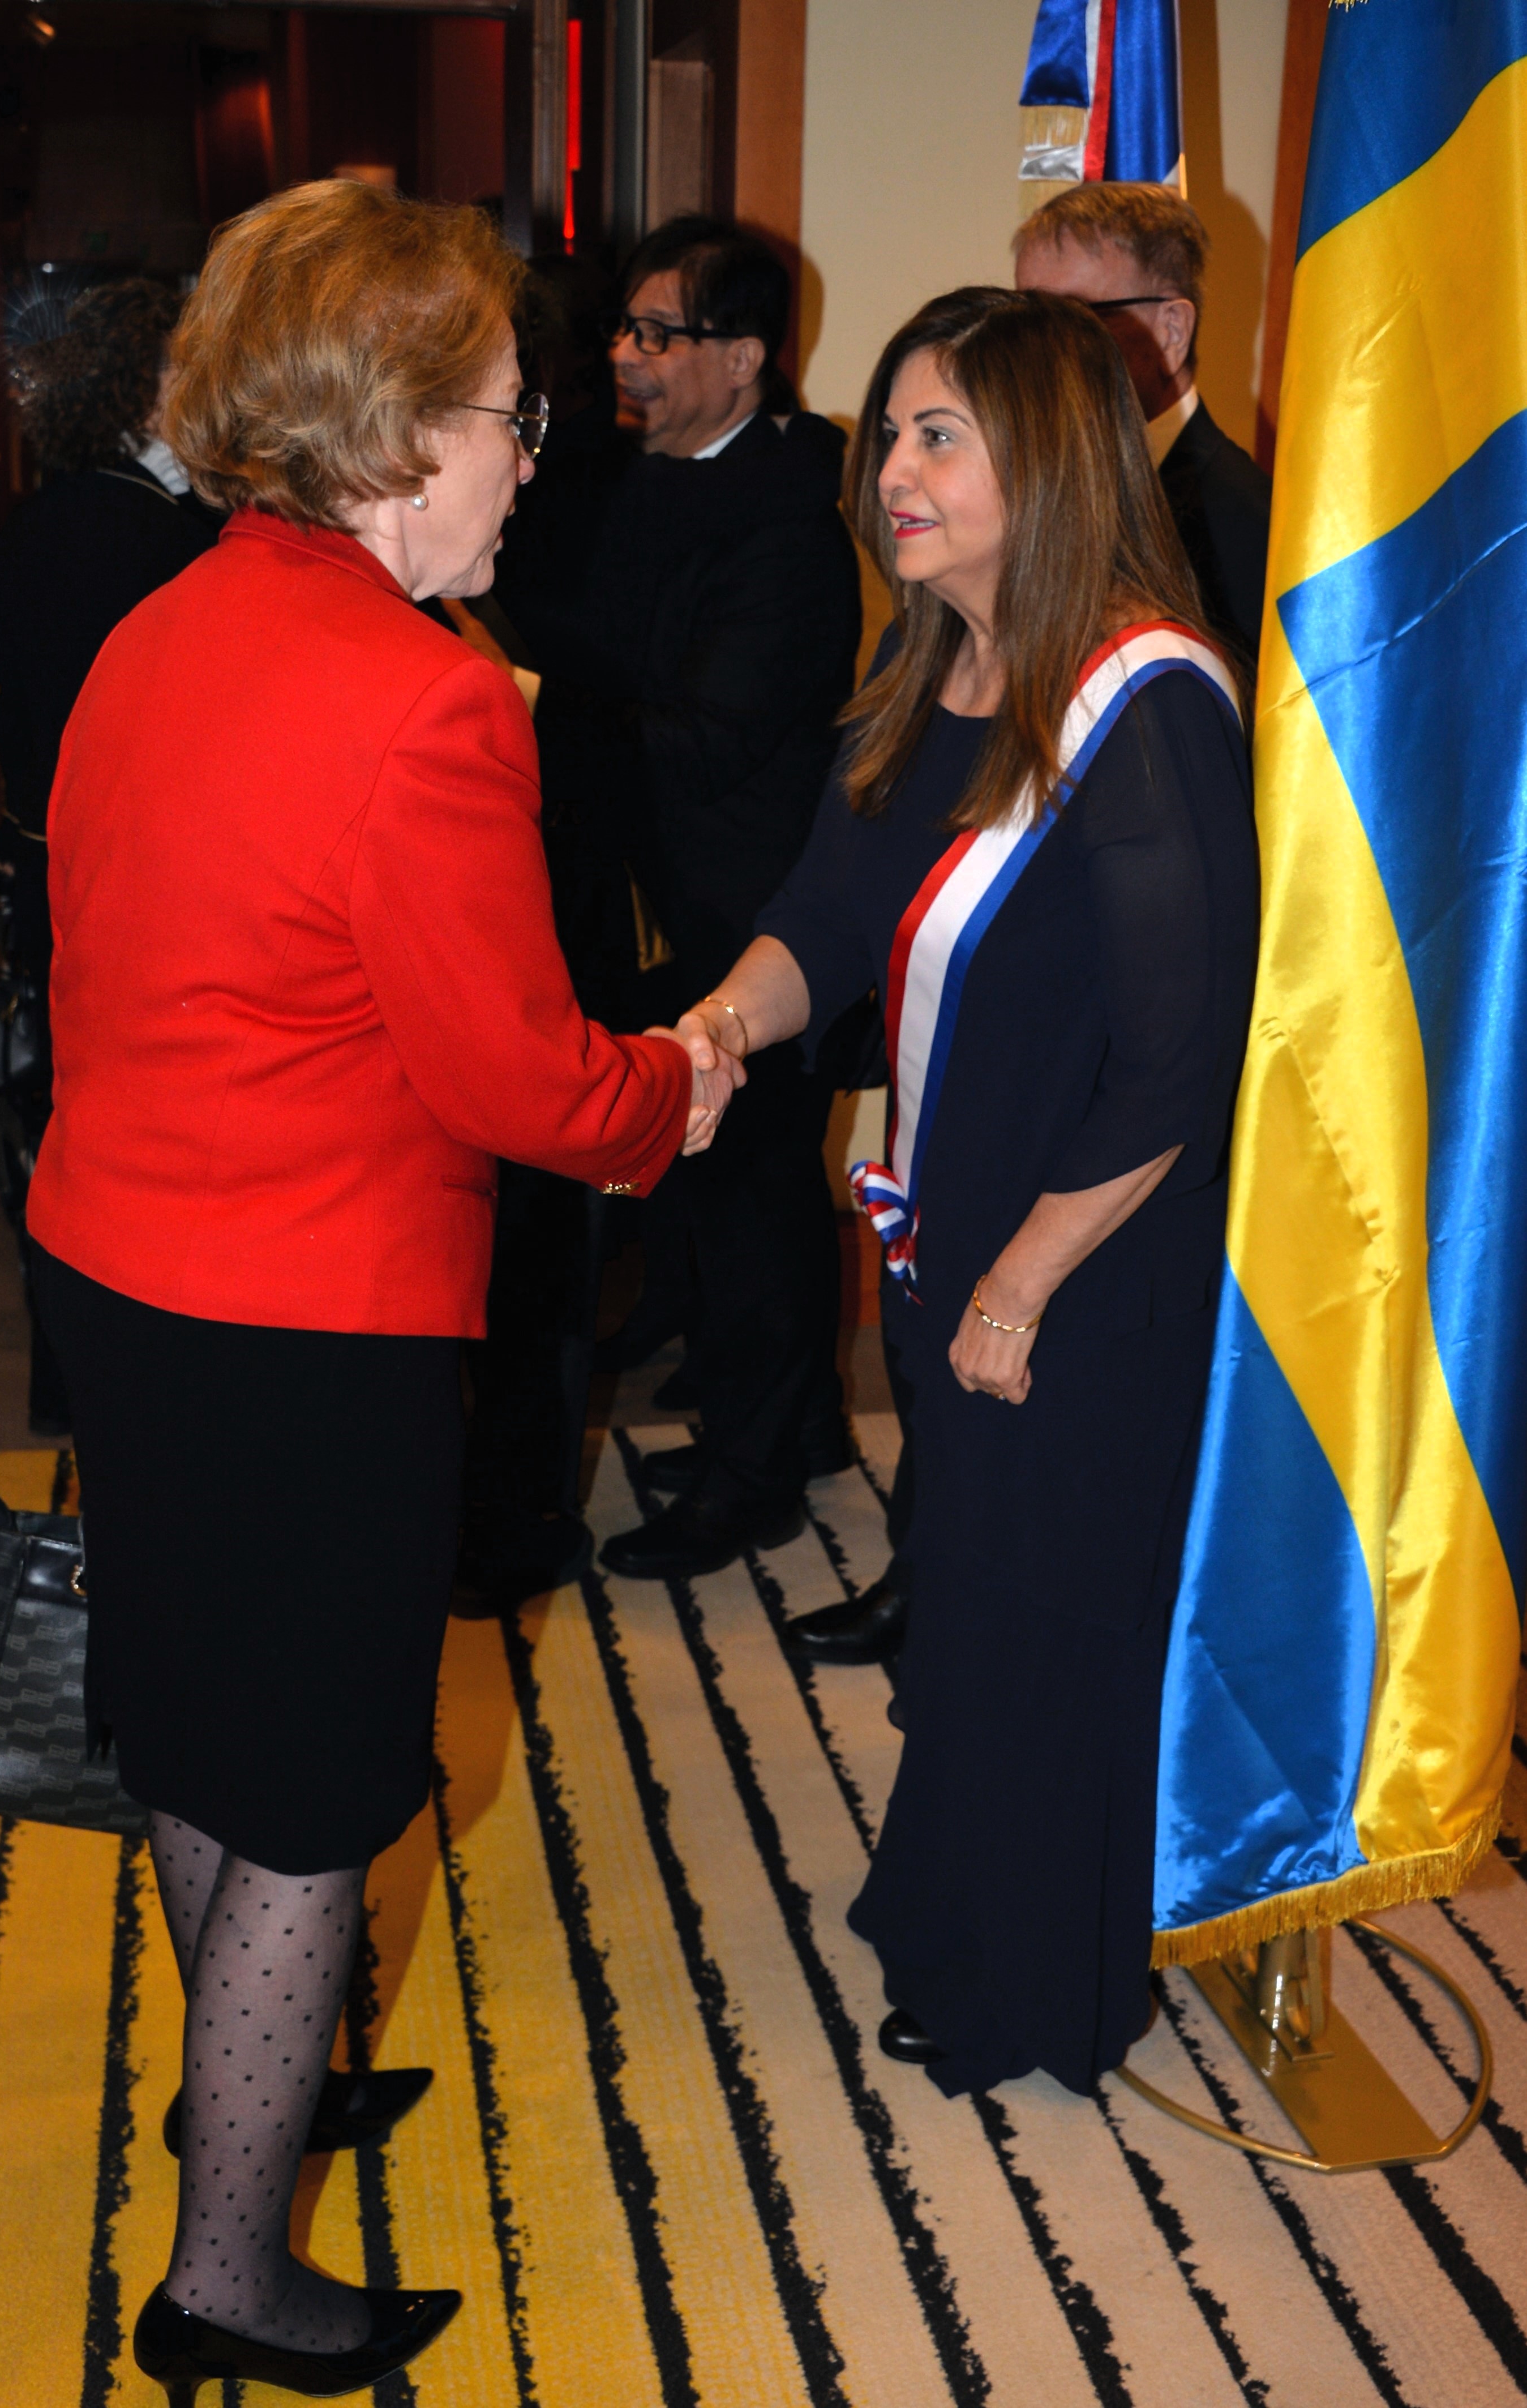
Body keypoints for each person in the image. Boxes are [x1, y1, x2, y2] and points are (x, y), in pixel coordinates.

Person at [24, 180, 733, 2403]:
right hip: (309, 1322)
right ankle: (229, 2275)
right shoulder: (426, 704)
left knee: (199, 1728)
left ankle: (253, 2091)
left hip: (119, 1275)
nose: (534, 456)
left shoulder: (159, 623)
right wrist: (674, 1088)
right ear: (398, 434)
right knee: (324, 1790)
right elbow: (519, 1080)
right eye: (516, 414)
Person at [672, 287, 1258, 2097]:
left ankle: (1035, 1985)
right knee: (971, 1595)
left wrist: (1017, 1280)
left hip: (1083, 1266)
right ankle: (955, 1904)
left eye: (938, 436)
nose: (891, 473)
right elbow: (823, 915)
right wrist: (718, 1023)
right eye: (889, 434)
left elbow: (1177, 1056)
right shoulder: (932, 663)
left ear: (1051, 461)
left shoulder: (1140, 703)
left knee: (1047, 1616)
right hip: (956, 1234)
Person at [492, 215, 862, 1588]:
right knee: (706, 1197)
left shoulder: (789, 519)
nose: (626, 358)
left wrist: (525, 698)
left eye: (659, 334)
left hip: (755, 918)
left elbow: (708, 735)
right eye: (624, 330)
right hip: (656, 898)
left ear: (744, 357)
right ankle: (793, 1430)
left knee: (757, 1200)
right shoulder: (635, 473)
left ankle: (751, 1486)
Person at [0, 278, 221, 1433]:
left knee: (72, 1130)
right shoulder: (151, 536)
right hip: (128, 885)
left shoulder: (53, 515)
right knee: (134, 1138)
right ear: (143, 388)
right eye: (186, 364)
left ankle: (75, 1380)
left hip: (53, 869)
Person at [1014, 183, 1272, 669]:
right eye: (1024, 324)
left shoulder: (1246, 529)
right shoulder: (1024, 493)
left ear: (1171, 331)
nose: (1037, 355)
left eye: (1072, 321)